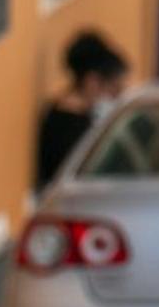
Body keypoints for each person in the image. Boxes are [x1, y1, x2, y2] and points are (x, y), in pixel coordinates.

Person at [35, 29, 130, 188]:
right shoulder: (69, 128)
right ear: (92, 82)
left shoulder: (67, 114)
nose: (116, 97)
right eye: (114, 88)